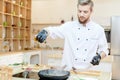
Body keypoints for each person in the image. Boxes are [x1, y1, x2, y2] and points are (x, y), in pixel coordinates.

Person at [36, 0, 109, 71]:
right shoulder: (69, 26)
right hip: (68, 70)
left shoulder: (98, 29)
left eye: (85, 12)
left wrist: (99, 57)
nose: (81, 15)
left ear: (91, 11)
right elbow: (53, 31)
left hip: (87, 71)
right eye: (79, 11)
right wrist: (45, 31)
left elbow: (105, 50)